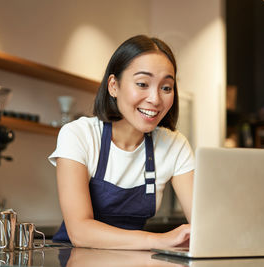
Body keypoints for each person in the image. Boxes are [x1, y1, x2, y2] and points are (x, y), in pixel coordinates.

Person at [48, 35, 194, 250]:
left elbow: (203, 223)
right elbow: (80, 231)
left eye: (166, 87)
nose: (155, 98)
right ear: (113, 86)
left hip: (132, 259)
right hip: (76, 259)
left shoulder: (174, 145)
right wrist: (160, 240)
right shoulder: (78, 135)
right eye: (142, 84)